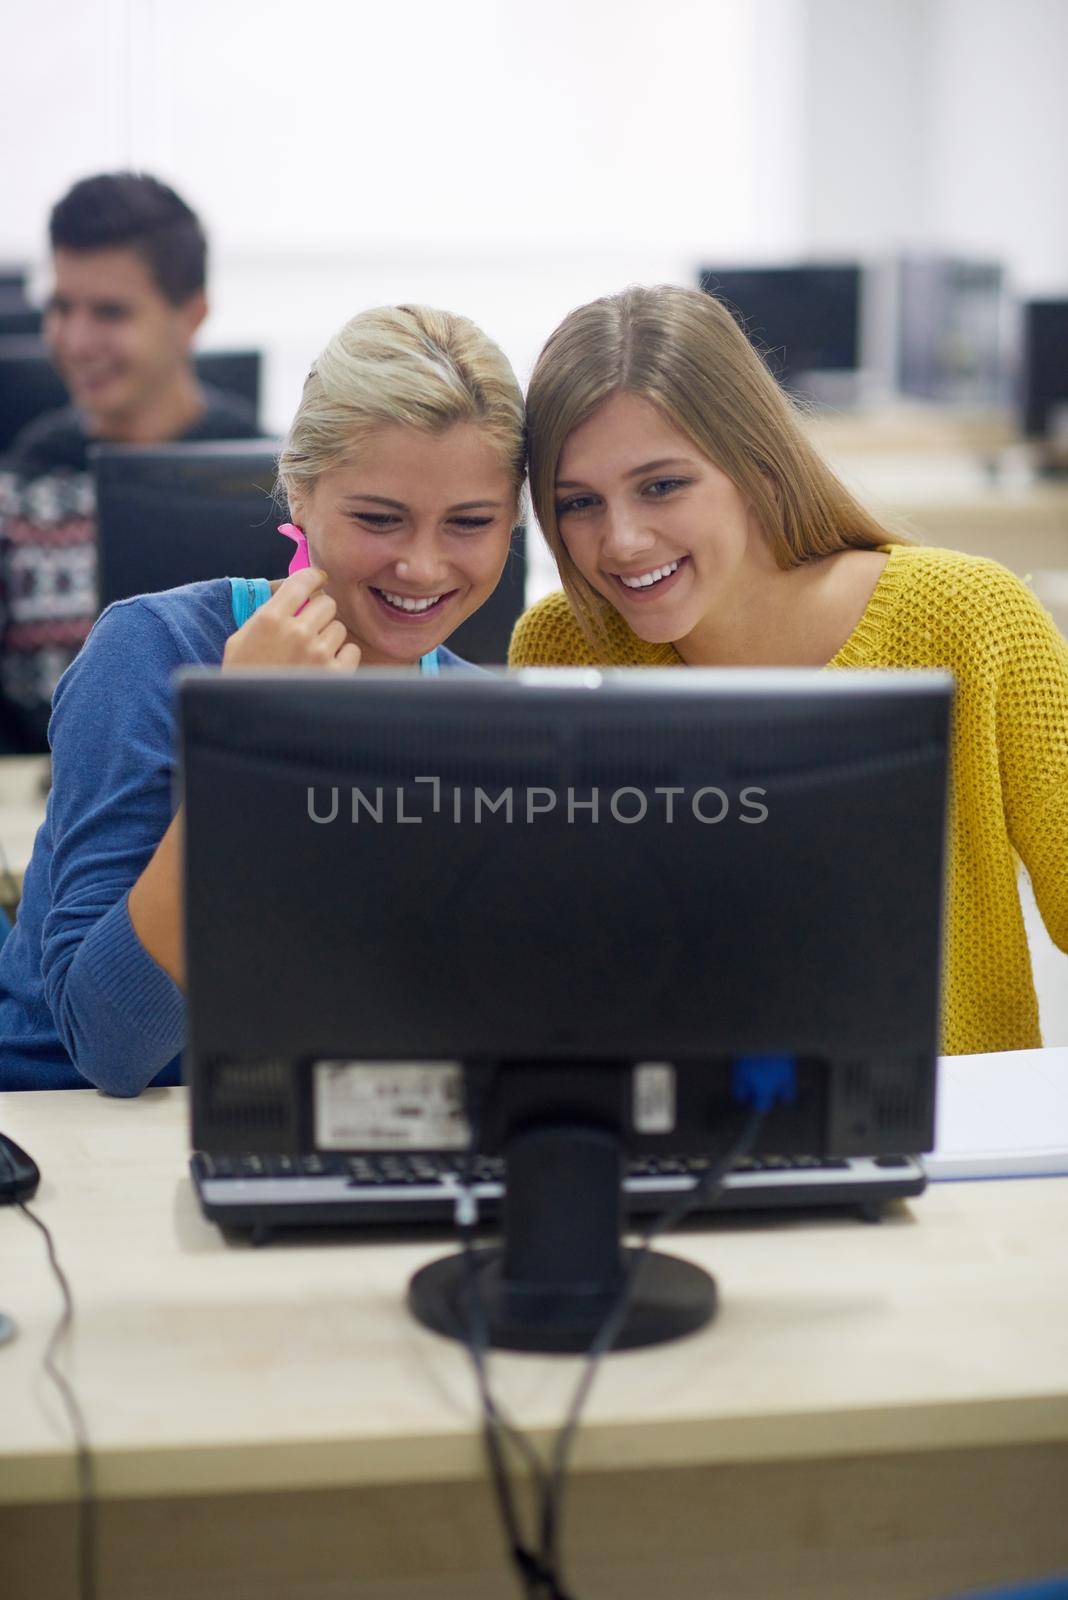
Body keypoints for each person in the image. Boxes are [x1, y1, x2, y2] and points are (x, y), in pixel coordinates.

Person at [509, 284, 1068, 1057]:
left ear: (757, 467)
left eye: (661, 485)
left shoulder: (968, 617)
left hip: (949, 1139)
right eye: (578, 503)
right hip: (676, 1127)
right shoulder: (562, 647)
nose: (622, 541)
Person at [0, 304, 525, 1092]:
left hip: (297, 1118)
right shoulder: (149, 653)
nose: (422, 566)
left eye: (470, 522)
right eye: (379, 519)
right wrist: (245, 742)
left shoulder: (484, 723)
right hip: (73, 1140)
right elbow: (111, 1047)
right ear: (300, 492)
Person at [0, 172, 261, 752]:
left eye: (110, 313)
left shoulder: (271, 486)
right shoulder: (19, 481)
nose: (75, 340)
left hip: (222, 786)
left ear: (190, 317)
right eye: (62, 308)